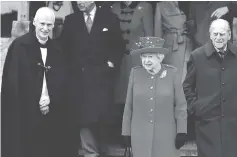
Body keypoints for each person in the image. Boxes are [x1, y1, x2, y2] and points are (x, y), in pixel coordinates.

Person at [61, 1, 125, 157]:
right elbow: (63, 48)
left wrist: (111, 63)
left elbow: (119, 45)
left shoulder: (110, 18)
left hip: (102, 78)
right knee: (83, 117)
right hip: (79, 80)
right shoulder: (71, 20)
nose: (79, 2)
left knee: (102, 117)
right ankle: (90, 152)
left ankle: (101, 149)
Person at [2, 7, 67, 157]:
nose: (45, 29)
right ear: (34, 22)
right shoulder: (20, 46)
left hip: (51, 110)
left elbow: (62, 81)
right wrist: (34, 100)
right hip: (25, 112)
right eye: (42, 24)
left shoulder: (57, 49)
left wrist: (51, 98)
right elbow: (13, 83)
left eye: (49, 25)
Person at [183, 19, 237, 157]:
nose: (218, 38)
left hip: (233, 122)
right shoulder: (197, 56)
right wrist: (196, 107)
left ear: (229, 35)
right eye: (215, 34)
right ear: (210, 35)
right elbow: (187, 85)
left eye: (222, 34)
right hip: (207, 123)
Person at [122, 37, 188, 157]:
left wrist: (182, 131)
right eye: (144, 56)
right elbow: (128, 106)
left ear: (160, 57)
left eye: (150, 56)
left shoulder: (172, 74)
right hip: (140, 136)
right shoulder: (135, 73)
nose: (146, 60)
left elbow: (181, 106)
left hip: (167, 136)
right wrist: (126, 132)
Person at [112, 1, 153, 109]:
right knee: (119, 96)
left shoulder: (145, 7)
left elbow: (149, 36)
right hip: (118, 60)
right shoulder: (114, 7)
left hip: (137, 59)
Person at [155, 1, 193, 83]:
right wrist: (158, 53)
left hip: (188, 45)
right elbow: (158, 32)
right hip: (171, 47)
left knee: (187, 76)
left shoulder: (189, 3)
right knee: (172, 78)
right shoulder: (161, 5)